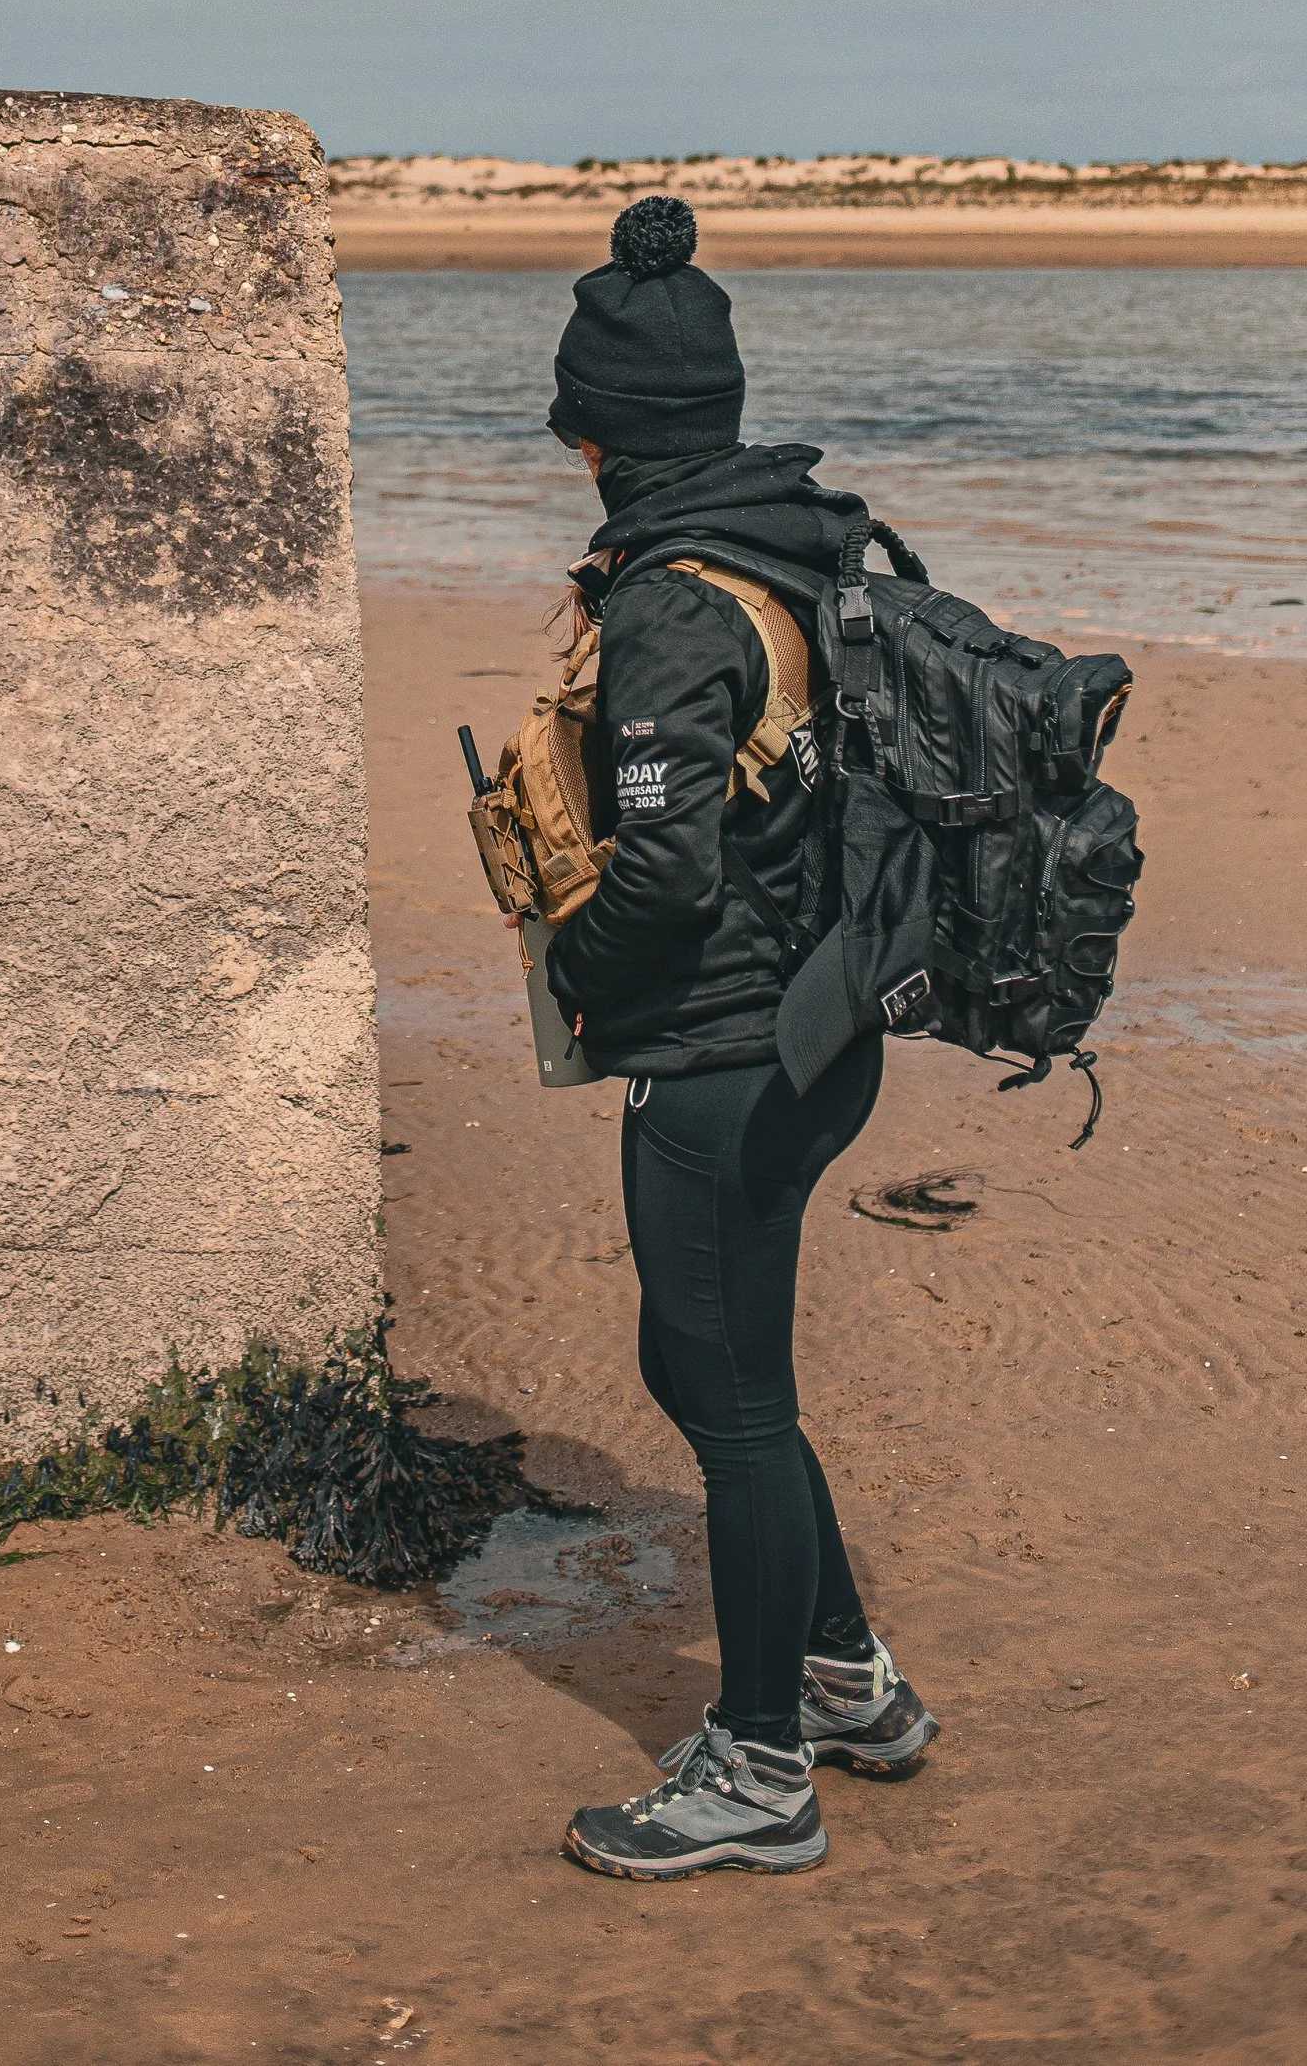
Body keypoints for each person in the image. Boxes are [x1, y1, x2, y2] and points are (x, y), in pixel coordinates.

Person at [542, 195, 937, 1882]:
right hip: (824, 1029)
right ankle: (847, 1675)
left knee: (730, 1401)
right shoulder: (795, 536)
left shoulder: (671, 606)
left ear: (595, 435)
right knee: (710, 1370)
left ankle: (760, 1768)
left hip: (722, 1056)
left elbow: (672, 866)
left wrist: (572, 955)